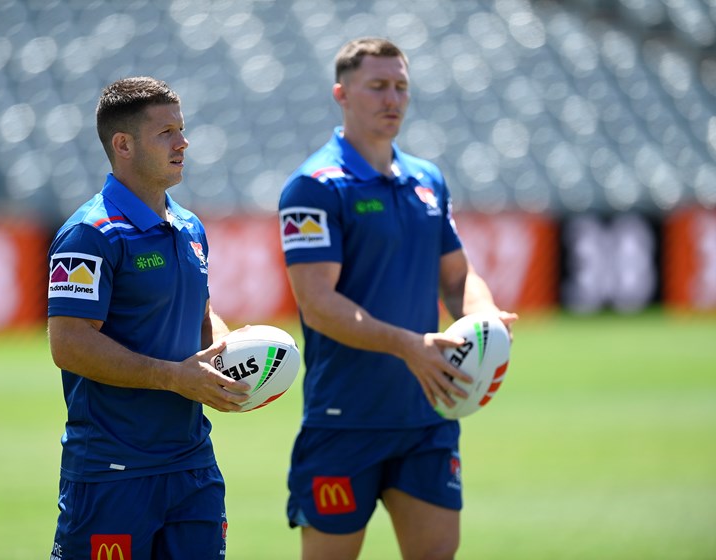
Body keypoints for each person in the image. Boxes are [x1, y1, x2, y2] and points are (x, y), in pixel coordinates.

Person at [278, 38, 519, 560]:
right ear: (342, 94)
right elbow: (318, 303)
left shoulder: (427, 180)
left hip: (427, 415)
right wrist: (410, 345)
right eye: (378, 86)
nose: (393, 99)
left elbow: (458, 277)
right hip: (344, 419)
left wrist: (482, 319)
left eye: (402, 87)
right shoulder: (314, 187)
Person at [46, 76, 250, 560]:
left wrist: (227, 354)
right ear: (123, 145)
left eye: (181, 129)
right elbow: (68, 344)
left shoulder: (189, 226)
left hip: (192, 464)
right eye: (166, 133)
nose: (184, 142)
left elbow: (199, 311)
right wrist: (173, 377)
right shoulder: (88, 235)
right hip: (112, 471)